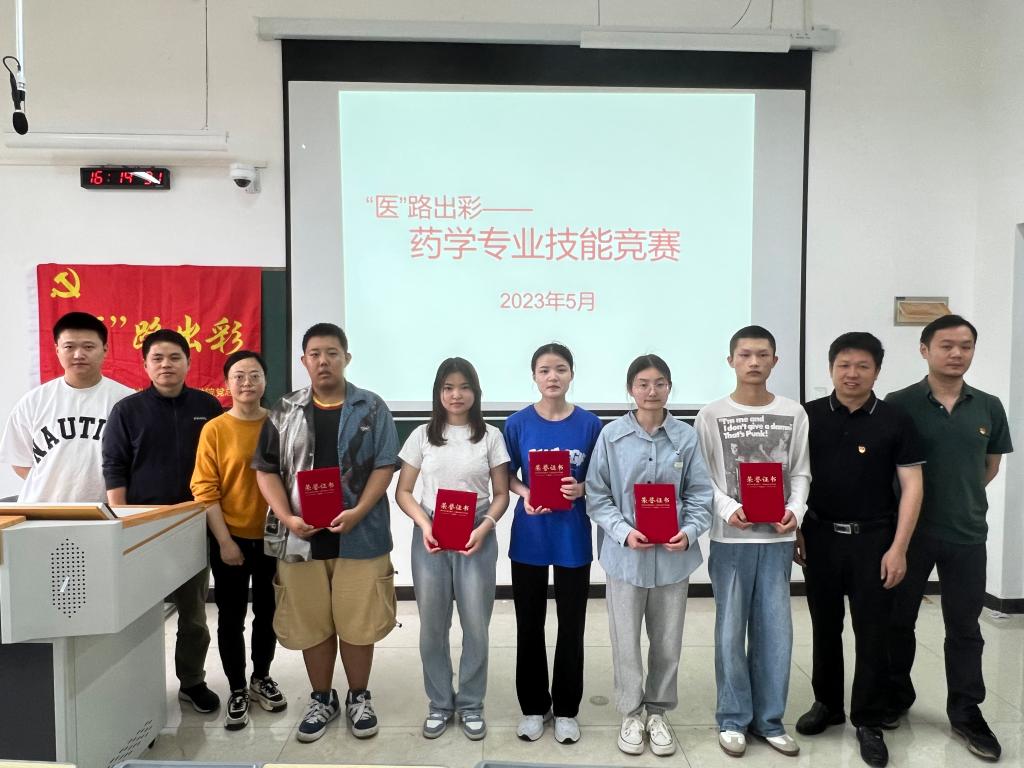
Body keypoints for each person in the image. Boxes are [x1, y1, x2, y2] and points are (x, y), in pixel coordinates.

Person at [253, 323, 399, 744]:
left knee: (359, 622)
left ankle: (358, 696)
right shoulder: (284, 409)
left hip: (361, 535)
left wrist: (358, 512)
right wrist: (287, 517)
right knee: (311, 622)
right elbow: (265, 471)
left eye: (332, 353)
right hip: (300, 537)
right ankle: (321, 698)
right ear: (303, 361)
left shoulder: (372, 407)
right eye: (315, 354)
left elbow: (385, 465)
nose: (323, 361)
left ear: (346, 358)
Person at [886, 314, 1013, 762]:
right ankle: (895, 697)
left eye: (966, 346)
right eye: (946, 345)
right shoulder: (899, 403)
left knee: (964, 628)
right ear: (925, 350)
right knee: (898, 623)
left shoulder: (989, 406)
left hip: (967, 534)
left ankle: (966, 712)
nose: (957, 354)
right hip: (910, 535)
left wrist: (960, 498)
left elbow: (989, 466)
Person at [795, 332, 924, 768]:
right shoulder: (808, 416)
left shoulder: (895, 419)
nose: (852, 374)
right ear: (831, 369)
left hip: (875, 540)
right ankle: (827, 704)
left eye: (862, 366)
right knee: (824, 625)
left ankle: (868, 719)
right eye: (844, 365)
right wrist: (796, 529)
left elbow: (912, 486)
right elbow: (794, 478)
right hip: (820, 536)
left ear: (877, 371)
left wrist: (899, 548)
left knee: (873, 632)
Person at [586, 354, 713, 758]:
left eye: (660, 383)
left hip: (673, 559)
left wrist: (688, 532)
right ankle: (630, 712)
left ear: (669, 388)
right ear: (630, 389)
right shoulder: (611, 436)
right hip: (626, 559)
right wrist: (623, 532)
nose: (651, 391)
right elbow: (596, 495)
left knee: (667, 642)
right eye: (643, 383)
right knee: (625, 640)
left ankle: (657, 712)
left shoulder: (686, 437)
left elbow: (701, 494)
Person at [693, 326, 810, 759]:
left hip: (776, 538)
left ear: (775, 361)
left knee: (776, 632)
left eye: (763, 355)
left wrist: (795, 511)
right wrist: (727, 509)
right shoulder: (710, 415)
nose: (754, 362)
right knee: (730, 632)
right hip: (731, 539)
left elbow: (800, 470)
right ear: (731, 361)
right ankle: (732, 718)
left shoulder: (794, 413)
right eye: (745, 355)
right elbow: (703, 475)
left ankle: (770, 721)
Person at [102, 329, 224, 714]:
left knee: (193, 614)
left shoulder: (207, 405)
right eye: (157, 358)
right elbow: (114, 467)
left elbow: (219, 465)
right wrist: (122, 523)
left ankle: (192, 681)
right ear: (145, 365)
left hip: (192, 524)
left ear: (188, 362)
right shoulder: (127, 410)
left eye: (174, 357)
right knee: (138, 615)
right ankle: (137, 689)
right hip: (142, 527)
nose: (166, 365)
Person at [395, 357, 510, 741]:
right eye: (448, 388)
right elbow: (404, 491)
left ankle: (472, 704)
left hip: (477, 531)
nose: (456, 395)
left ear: (475, 392)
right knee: (432, 624)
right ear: (438, 393)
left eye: (463, 387)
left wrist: (485, 526)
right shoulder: (422, 435)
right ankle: (440, 704)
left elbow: (501, 493)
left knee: (476, 624)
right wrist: (425, 525)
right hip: (431, 533)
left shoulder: (490, 436)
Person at [503, 343, 602, 744]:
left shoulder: (590, 424)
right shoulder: (517, 424)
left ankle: (565, 709)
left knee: (571, 625)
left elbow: (601, 478)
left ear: (572, 374)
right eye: (544, 370)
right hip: (530, 534)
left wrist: (582, 488)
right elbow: (505, 475)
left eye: (560, 368)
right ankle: (532, 707)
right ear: (534, 376)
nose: (553, 376)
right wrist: (525, 492)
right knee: (529, 624)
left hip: (571, 536)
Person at [190, 350, 287, 731]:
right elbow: (205, 489)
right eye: (239, 376)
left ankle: (261, 677)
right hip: (228, 537)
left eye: (255, 375)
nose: (247, 383)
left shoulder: (280, 424)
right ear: (227, 383)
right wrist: (225, 542)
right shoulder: (215, 429)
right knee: (230, 618)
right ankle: (236, 688)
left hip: (273, 539)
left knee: (268, 613)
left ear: (265, 381)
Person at [0, 311, 133, 502]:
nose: (78, 355)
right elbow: (19, 460)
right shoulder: (33, 401)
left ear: (105, 349)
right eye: (69, 347)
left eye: (88, 347)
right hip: (43, 510)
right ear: (57, 350)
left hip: (108, 510)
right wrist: (53, 487)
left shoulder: (126, 400)